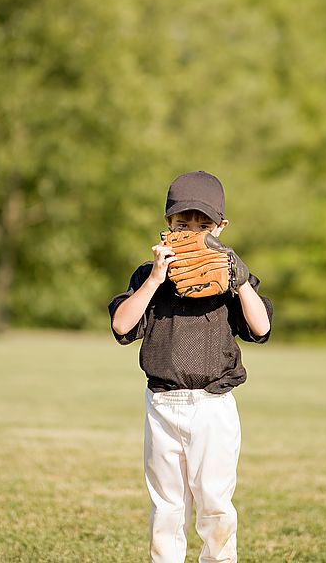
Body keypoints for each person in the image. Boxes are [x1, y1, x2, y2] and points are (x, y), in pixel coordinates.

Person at [108, 171, 273, 562]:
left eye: (204, 225)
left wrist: (241, 278)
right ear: (167, 225)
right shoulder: (149, 277)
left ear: (221, 227)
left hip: (213, 404)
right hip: (162, 404)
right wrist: (154, 279)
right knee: (167, 506)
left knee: (214, 502)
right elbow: (122, 324)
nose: (192, 231)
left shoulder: (229, 276)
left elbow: (261, 327)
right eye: (182, 223)